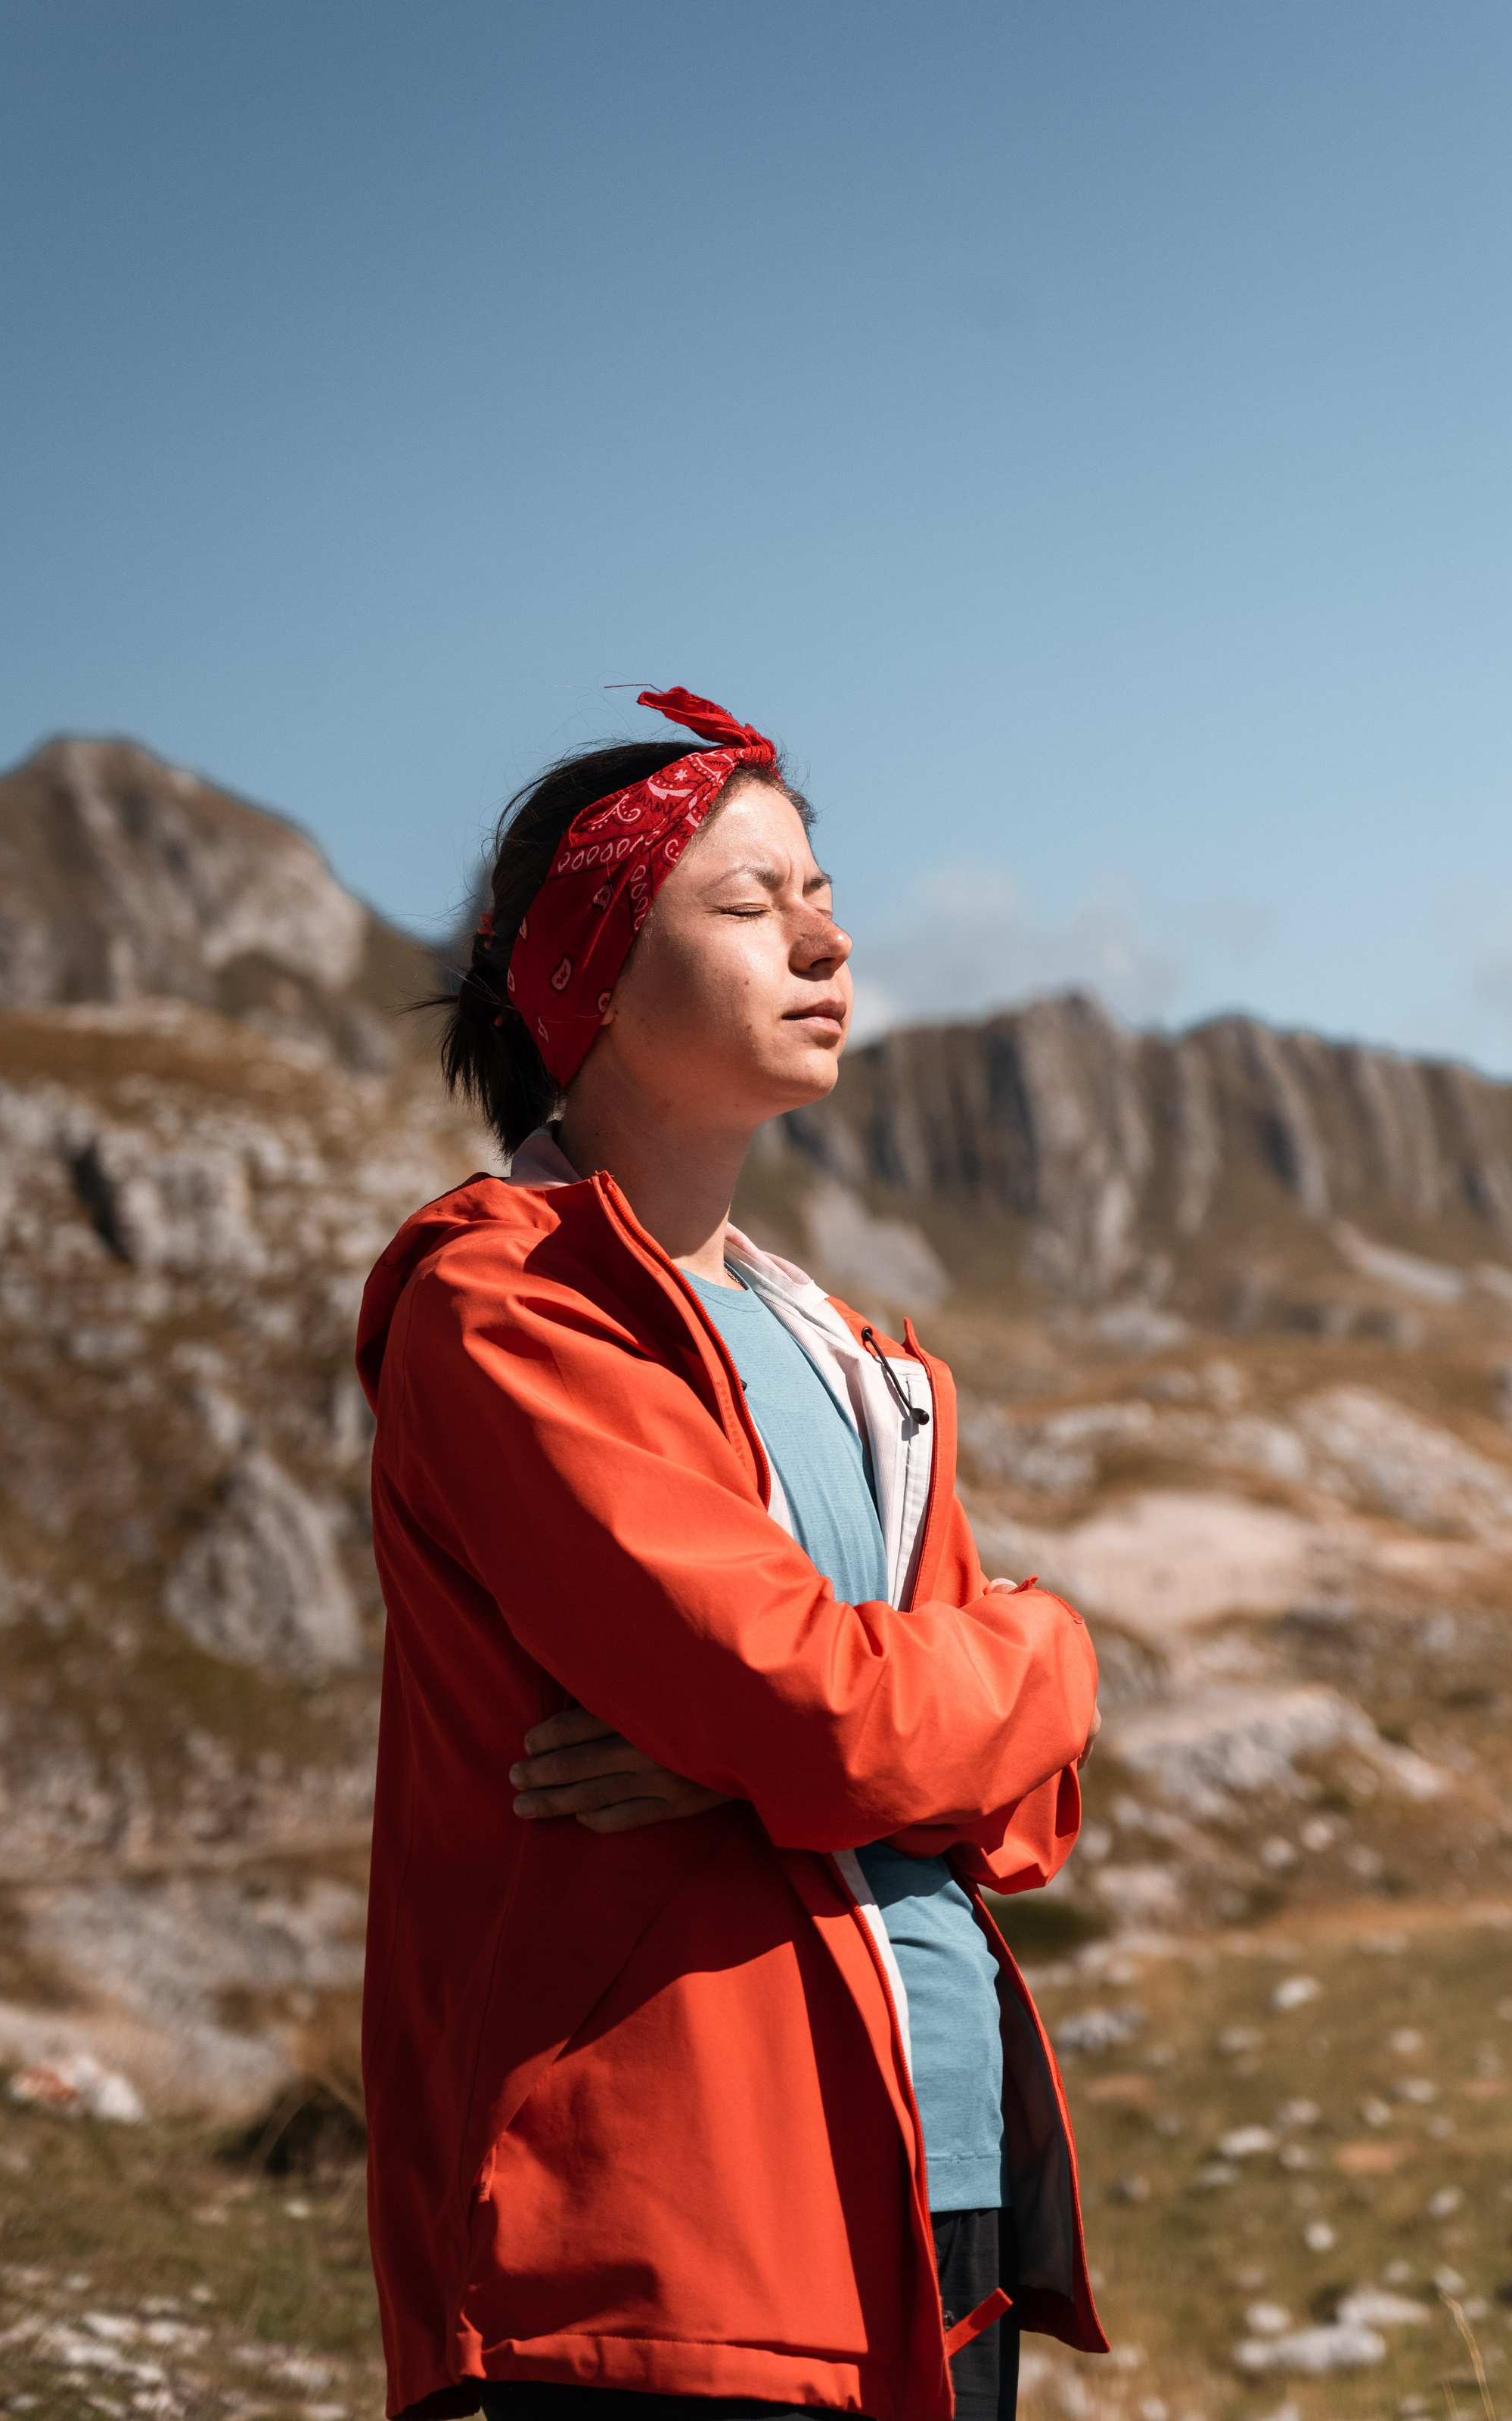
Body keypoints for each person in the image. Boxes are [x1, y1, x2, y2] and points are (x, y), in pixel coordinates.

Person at [357, 689, 1105, 2421]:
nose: (824, 941)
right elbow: (818, 1711)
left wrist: (989, 1690)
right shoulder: (508, 1302)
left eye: (822, 897)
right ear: (593, 979)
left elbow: (1017, 1808)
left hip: (928, 2171)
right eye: (751, 903)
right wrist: (1009, 1671)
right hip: (665, 2237)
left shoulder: (855, 1357)